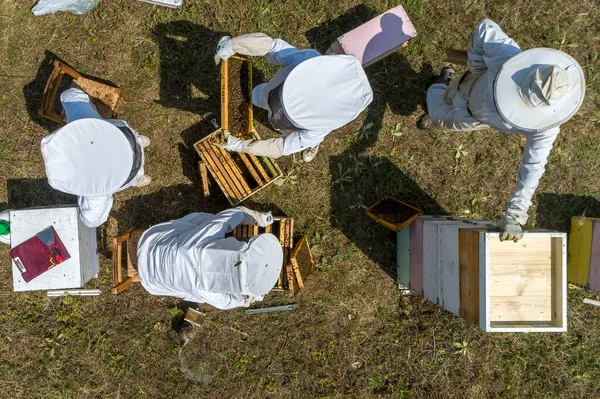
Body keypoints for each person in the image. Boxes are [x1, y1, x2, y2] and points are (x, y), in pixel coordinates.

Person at [418, 19, 585, 242]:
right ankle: (439, 85)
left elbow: (533, 166)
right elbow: (485, 28)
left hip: (473, 118)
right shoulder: (509, 57)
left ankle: (436, 101)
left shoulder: (546, 127)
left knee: (441, 117)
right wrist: (476, 67)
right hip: (470, 84)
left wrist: (516, 213)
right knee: (447, 93)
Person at [213, 33, 373, 163]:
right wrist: (234, 44)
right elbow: (272, 47)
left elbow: (281, 147)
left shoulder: (316, 130)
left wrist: (242, 145)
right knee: (258, 96)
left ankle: (312, 145)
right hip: (271, 92)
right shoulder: (309, 60)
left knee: (304, 138)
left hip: (292, 124)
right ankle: (260, 98)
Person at [41, 87, 151, 228]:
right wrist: (71, 117)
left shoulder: (96, 192)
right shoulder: (83, 121)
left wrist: (83, 197)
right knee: (131, 140)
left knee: (130, 177)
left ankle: (137, 177)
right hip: (126, 137)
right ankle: (139, 142)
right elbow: (70, 94)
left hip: (130, 171)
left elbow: (92, 220)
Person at [136, 207, 283, 310]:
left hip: (151, 243)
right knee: (193, 295)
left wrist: (257, 217)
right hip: (152, 279)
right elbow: (229, 302)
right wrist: (245, 300)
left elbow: (234, 214)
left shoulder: (203, 238)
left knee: (202, 220)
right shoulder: (207, 290)